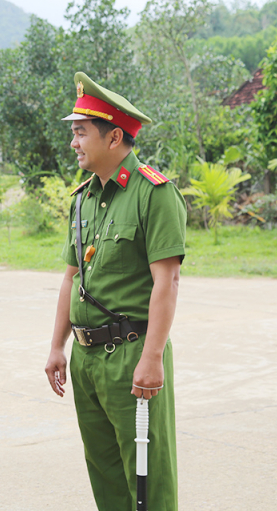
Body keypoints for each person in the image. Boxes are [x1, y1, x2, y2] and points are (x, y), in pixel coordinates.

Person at [44, 73, 186, 510]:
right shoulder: (83, 199)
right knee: (105, 474)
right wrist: (57, 347)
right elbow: (70, 278)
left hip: (132, 353)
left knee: (148, 477)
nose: (73, 143)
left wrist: (152, 358)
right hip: (85, 358)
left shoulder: (154, 193)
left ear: (114, 136)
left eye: (81, 132)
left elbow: (167, 281)